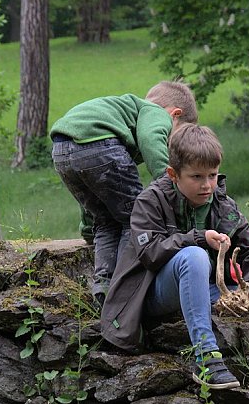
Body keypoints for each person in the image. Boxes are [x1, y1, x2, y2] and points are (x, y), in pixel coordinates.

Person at [101, 124, 249, 389]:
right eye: (196, 177)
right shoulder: (150, 201)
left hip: (207, 290)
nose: (207, 185)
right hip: (151, 294)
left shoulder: (223, 205)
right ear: (173, 174)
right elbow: (150, 254)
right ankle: (206, 358)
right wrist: (197, 237)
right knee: (194, 256)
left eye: (212, 175)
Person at [50, 81, 198, 307]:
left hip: (62, 148)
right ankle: (126, 288)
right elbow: (150, 139)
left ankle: (104, 289)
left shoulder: (127, 115)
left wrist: (89, 227)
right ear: (175, 114)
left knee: (106, 221)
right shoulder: (155, 112)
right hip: (100, 143)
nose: (173, 145)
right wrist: (170, 182)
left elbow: (95, 191)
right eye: (175, 137)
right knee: (136, 218)